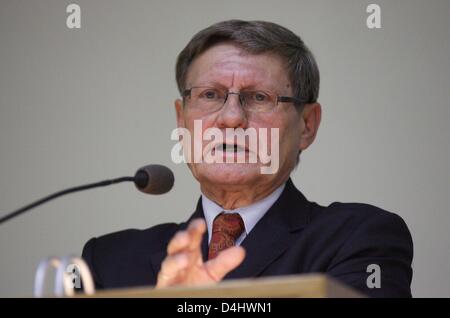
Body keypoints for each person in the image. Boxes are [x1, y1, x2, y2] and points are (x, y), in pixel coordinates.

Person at [82, 20, 413, 297]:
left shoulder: (361, 239)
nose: (231, 118)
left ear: (307, 125)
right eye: (210, 95)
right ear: (182, 120)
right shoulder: (107, 261)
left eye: (259, 97)